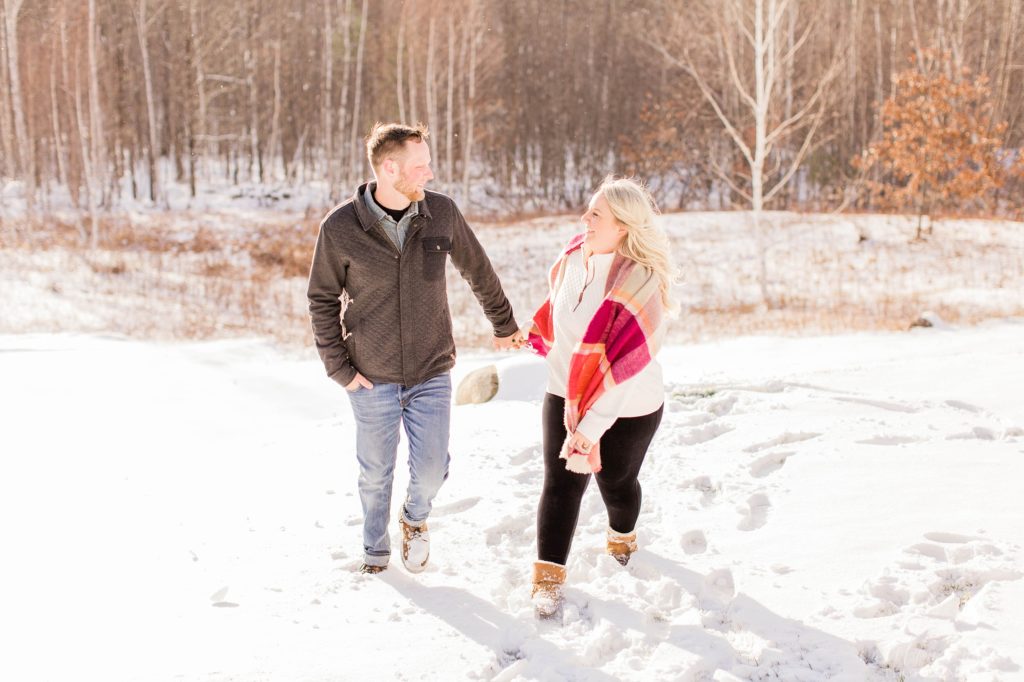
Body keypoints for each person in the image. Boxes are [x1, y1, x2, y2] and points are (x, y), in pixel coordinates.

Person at [307, 122, 524, 575]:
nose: (429, 174)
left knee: (431, 469)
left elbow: (477, 269)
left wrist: (504, 324)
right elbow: (321, 298)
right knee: (375, 473)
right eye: (420, 165)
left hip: (431, 368)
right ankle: (374, 551)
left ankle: (414, 518)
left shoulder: (440, 212)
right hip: (371, 374)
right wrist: (339, 368)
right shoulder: (341, 227)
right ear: (390, 168)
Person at [524, 176, 676, 617]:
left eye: (596, 215)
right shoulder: (573, 257)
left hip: (630, 407)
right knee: (560, 484)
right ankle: (547, 579)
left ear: (623, 227)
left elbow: (625, 373)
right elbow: (558, 311)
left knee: (616, 483)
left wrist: (589, 431)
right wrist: (531, 333)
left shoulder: (641, 286)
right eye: (588, 211)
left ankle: (622, 536)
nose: (584, 219)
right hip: (565, 394)